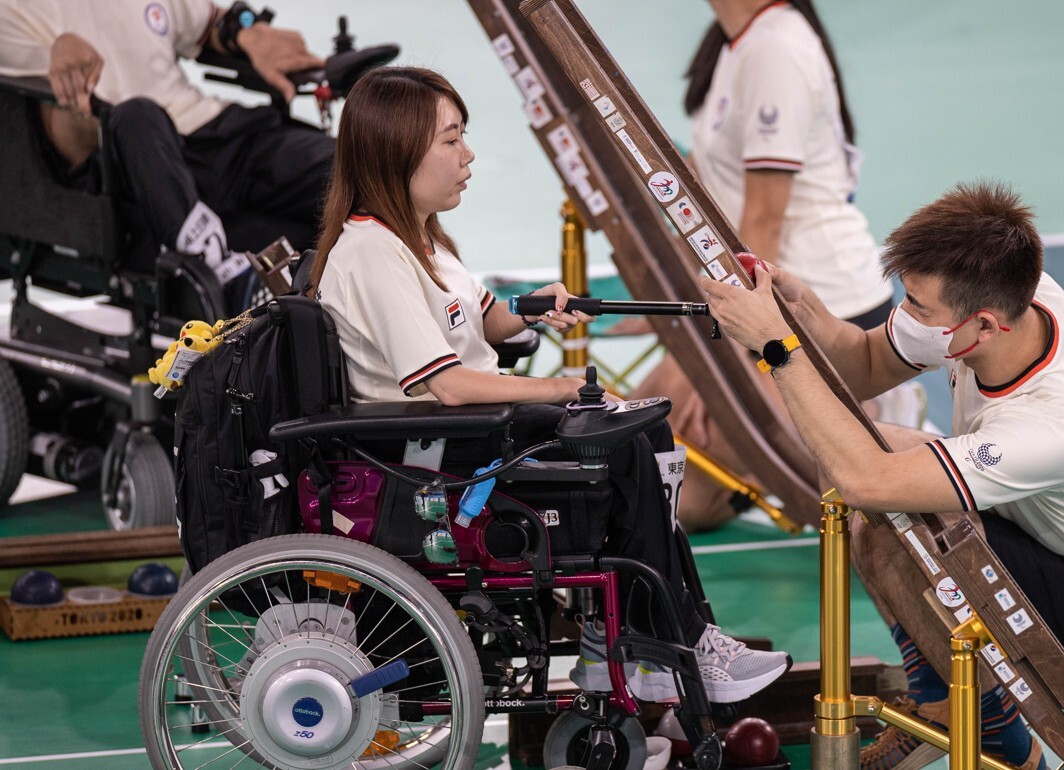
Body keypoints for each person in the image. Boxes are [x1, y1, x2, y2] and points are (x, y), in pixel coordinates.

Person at [304, 65, 789, 704]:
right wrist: (561, 388)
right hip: (429, 453)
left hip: (467, 435)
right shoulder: (371, 253)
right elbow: (447, 385)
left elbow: (481, 320)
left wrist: (528, 308)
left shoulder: (421, 239)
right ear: (400, 148)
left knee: (642, 431)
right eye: (451, 139)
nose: (468, 153)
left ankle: (649, 637)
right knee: (622, 441)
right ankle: (654, 646)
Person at [701, 181, 1064, 768]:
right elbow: (868, 362)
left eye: (919, 308)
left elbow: (866, 481)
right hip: (1040, 522)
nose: (907, 317)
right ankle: (960, 710)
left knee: (886, 515)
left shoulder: (1049, 424)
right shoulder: (1015, 299)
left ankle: (984, 724)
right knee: (884, 478)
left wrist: (776, 347)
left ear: (984, 327)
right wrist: (803, 314)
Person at [633, 0, 922, 531]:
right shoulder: (734, 40)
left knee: (677, 493)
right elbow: (703, 202)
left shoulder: (777, 48)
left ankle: (881, 410)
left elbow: (760, 225)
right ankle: (765, 468)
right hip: (762, 305)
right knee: (645, 459)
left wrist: (709, 364)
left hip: (825, 313)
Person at [0, 0, 334, 305]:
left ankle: (367, 241)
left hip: (212, 133)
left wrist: (246, 32)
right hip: (128, 164)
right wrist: (64, 67)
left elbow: (209, 24)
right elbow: (62, 145)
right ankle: (213, 277)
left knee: (346, 167)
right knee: (136, 115)